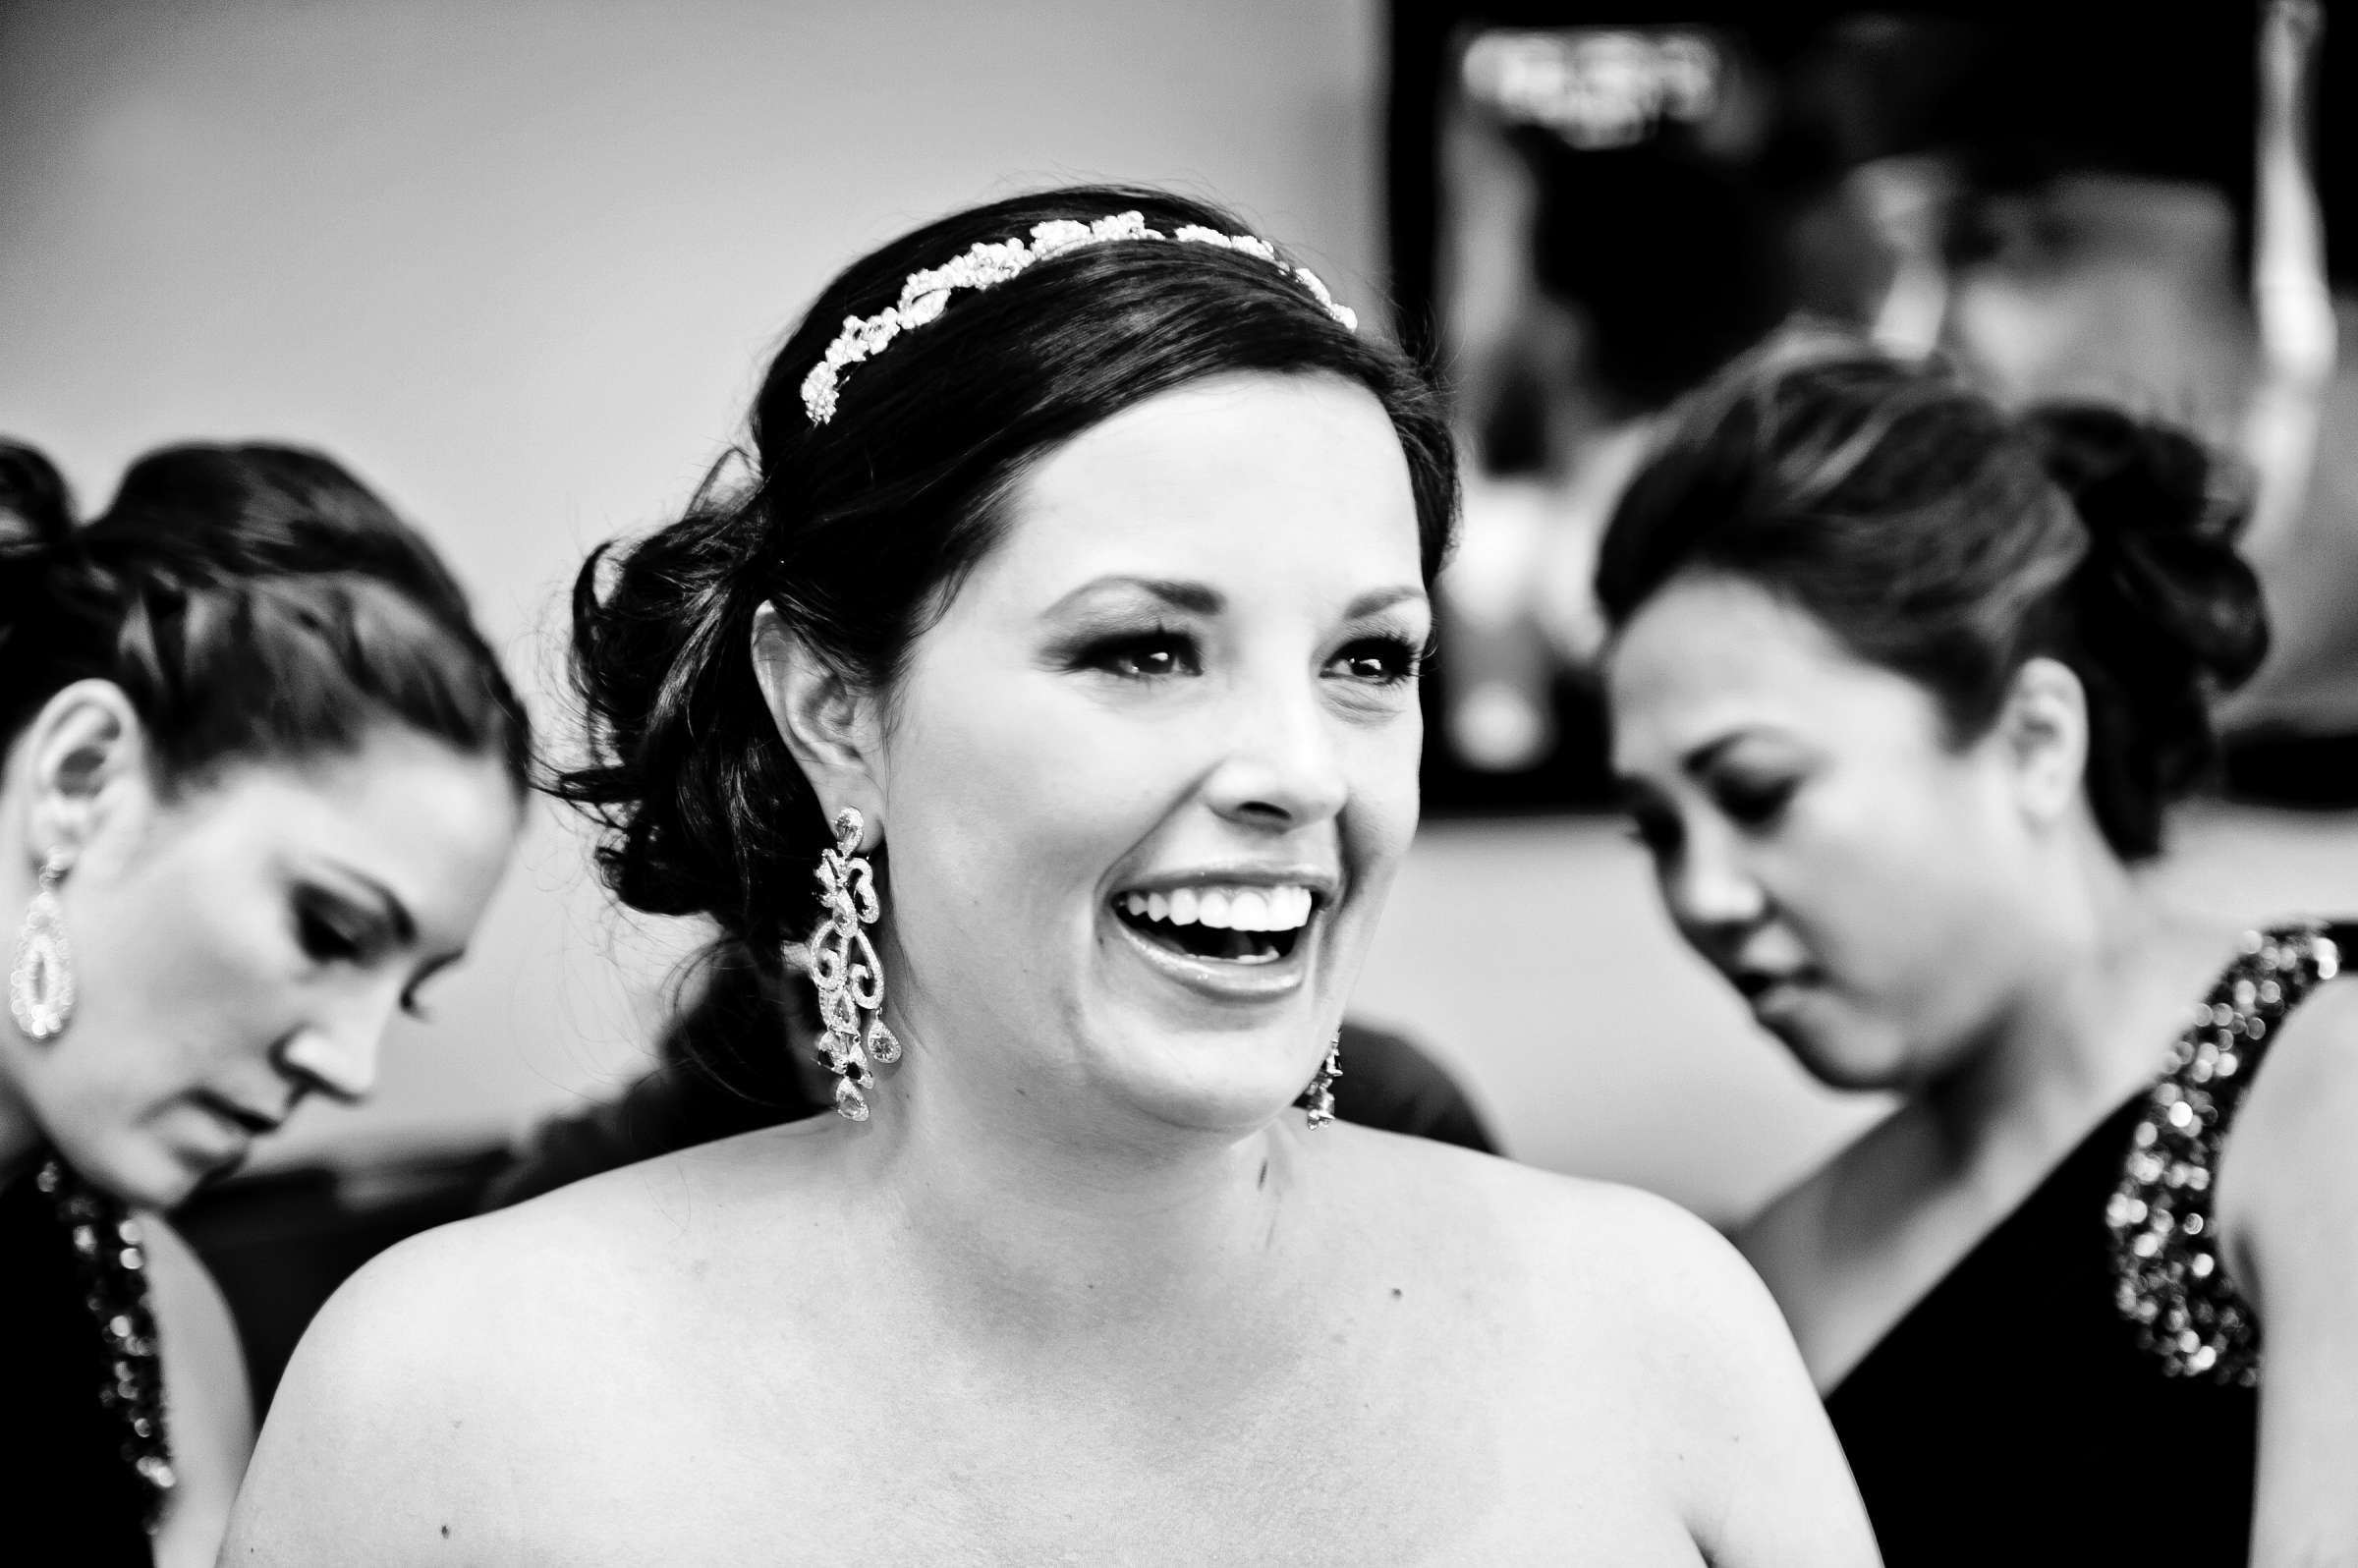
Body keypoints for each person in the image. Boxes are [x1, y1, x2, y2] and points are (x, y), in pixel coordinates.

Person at [225, 186, 1877, 1565]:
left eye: (1368, 661)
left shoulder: (1660, 1336)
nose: (1303, 771)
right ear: (835, 710)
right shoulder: (440, 1403)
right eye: (1147, 649)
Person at [1598, 338, 2358, 1564]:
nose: (1703, 895)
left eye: (1757, 791)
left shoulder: (2324, 1083)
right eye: (1655, 833)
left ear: (2036, 738)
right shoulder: (1772, 1265)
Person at [0, 438, 530, 1567]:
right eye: (330, 932)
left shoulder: (157, 1322)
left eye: (409, 994)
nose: (352, 1066)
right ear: (79, 779)